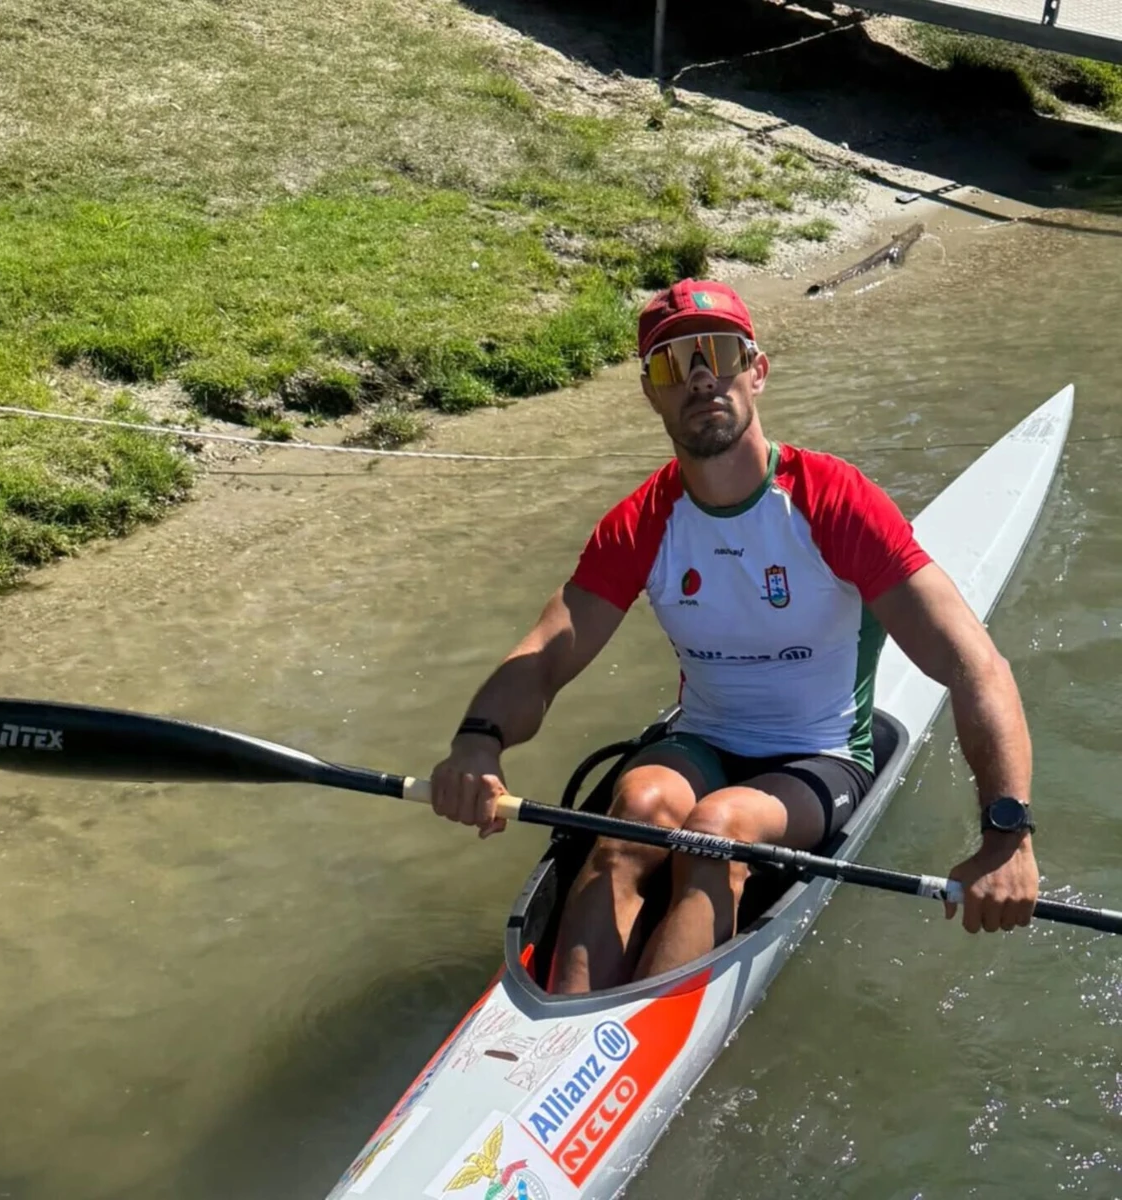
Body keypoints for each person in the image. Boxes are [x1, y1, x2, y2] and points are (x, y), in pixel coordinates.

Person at [428, 277, 1039, 995]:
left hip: (822, 752)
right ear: (650, 394)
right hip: (704, 738)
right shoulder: (642, 523)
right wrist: (477, 742)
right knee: (636, 814)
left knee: (715, 830)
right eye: (669, 365)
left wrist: (1007, 836)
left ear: (757, 369)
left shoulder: (835, 503)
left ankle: (632, 1029)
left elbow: (976, 667)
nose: (698, 379)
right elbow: (545, 655)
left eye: (716, 353)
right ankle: (563, 1025)